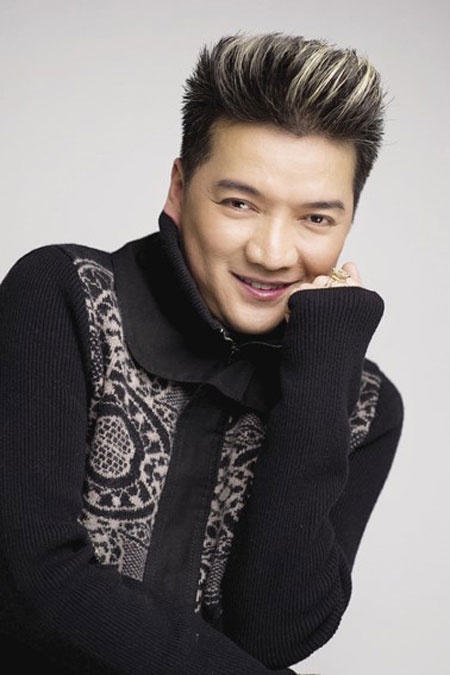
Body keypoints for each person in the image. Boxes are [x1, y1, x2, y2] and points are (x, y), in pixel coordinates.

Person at [0, 32, 404, 674]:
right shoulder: (65, 298)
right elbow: (31, 580)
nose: (272, 253)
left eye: (317, 219)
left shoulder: (366, 405)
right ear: (180, 187)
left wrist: (323, 375)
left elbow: (274, 636)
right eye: (240, 203)